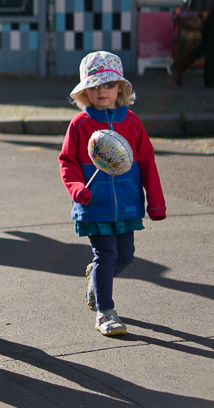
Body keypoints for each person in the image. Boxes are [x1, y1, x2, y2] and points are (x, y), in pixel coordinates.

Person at [59, 51, 166, 337]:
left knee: (126, 256)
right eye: (94, 86)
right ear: (84, 92)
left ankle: (96, 279)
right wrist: (77, 188)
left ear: (120, 88)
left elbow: (147, 162)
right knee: (105, 255)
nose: (101, 91)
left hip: (128, 205)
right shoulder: (79, 124)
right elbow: (67, 162)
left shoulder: (131, 122)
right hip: (94, 205)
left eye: (108, 85)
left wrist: (156, 202)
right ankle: (105, 312)